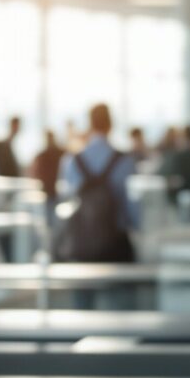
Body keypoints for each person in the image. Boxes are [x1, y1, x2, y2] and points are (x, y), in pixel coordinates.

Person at [58, 104, 137, 261]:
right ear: (111, 125)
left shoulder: (72, 161)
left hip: (81, 240)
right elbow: (130, 208)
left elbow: (65, 200)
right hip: (115, 241)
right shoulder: (125, 161)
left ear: (90, 124)